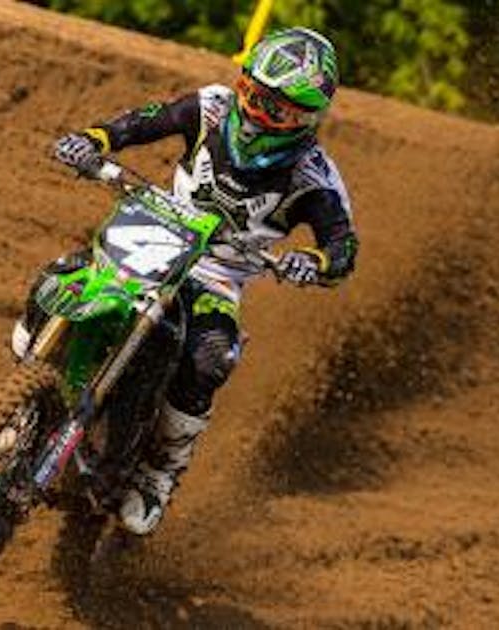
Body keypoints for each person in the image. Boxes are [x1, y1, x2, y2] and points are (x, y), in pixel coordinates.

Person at [18, 27, 358, 535]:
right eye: (252, 93)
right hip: (154, 236)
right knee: (58, 280)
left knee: (210, 360)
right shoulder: (212, 107)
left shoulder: (314, 177)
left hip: (215, 279)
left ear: (306, 119)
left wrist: (314, 262)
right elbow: (143, 122)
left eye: (274, 108)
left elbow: (343, 247)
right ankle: (23, 405)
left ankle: (159, 473)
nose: (255, 112)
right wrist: (94, 140)